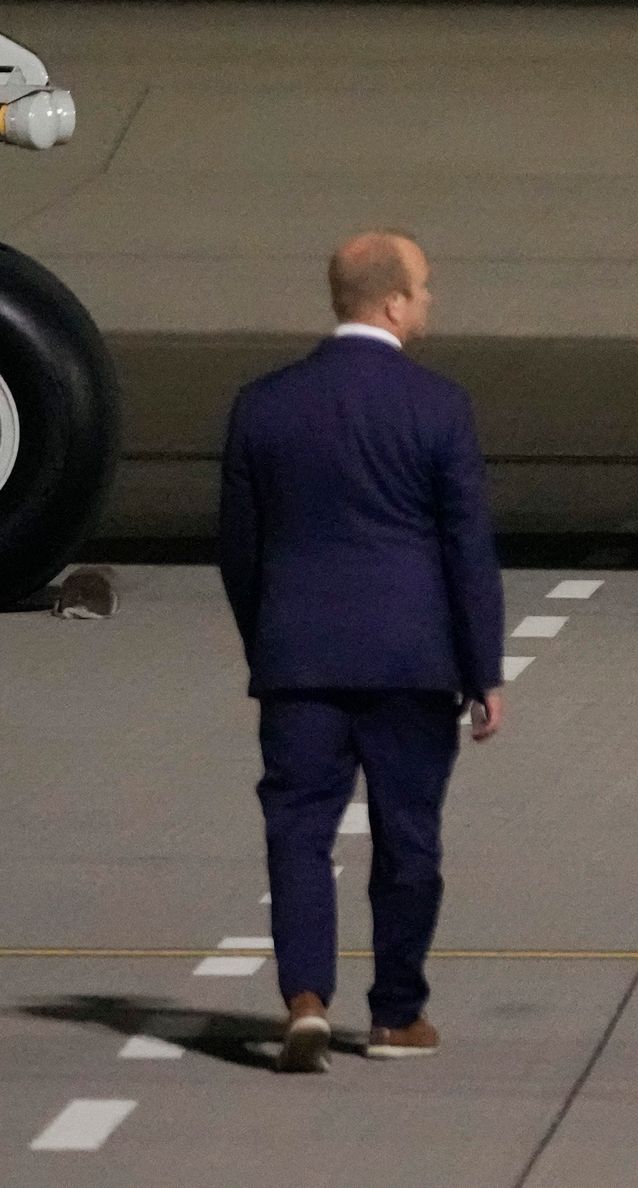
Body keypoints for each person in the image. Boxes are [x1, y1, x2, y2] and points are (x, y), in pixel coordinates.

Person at [217, 230, 506, 1074]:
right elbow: (466, 548)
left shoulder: (263, 404)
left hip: (298, 662)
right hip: (413, 665)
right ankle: (396, 1015)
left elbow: (240, 549)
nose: (430, 300)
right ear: (392, 302)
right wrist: (483, 667)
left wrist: (269, 641)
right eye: (424, 287)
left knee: (299, 832)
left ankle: (306, 999)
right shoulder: (439, 407)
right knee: (408, 838)